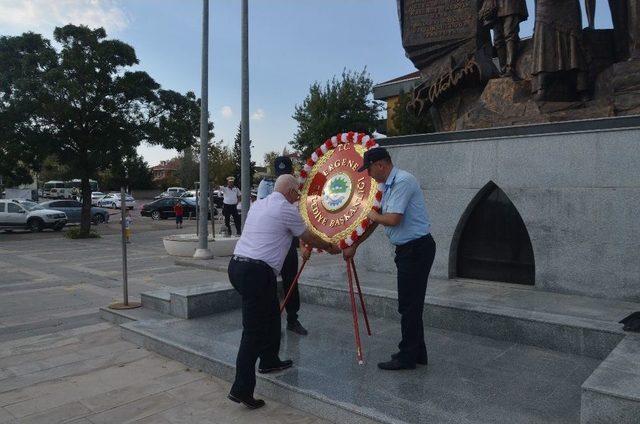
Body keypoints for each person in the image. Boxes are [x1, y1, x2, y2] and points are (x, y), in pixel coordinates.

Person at [227, 174, 340, 409]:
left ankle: (269, 360)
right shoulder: (285, 209)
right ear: (290, 192)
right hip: (255, 273)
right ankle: (241, 389)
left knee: (270, 314)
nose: (298, 197)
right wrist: (330, 246)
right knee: (253, 331)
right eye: (297, 193)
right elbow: (307, 236)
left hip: (238, 267)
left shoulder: (259, 204)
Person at [343, 147, 435, 371]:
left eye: (370, 169)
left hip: (416, 249)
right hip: (408, 250)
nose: (369, 175)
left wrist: (370, 213)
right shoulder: (386, 186)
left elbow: (392, 219)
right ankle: (417, 352)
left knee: (408, 305)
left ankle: (407, 356)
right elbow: (376, 221)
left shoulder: (403, 181)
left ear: (381, 165)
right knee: (411, 303)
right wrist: (355, 243)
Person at [257, 156, 308, 335]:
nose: (282, 177)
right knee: (268, 282)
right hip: (271, 241)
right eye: (280, 174)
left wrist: (303, 244)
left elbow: (302, 214)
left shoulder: (297, 185)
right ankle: (269, 320)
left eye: (285, 174)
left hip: (290, 238)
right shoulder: (265, 185)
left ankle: (293, 319)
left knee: (291, 280)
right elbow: (264, 208)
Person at [531, 0, 588, 101]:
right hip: (545, 5)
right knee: (544, 37)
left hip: (568, 7)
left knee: (573, 41)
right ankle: (541, 86)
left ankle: (581, 87)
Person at [492, 0, 528, 77]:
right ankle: (503, 69)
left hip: (511, 4)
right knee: (498, 40)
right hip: (494, 7)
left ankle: (510, 68)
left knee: (510, 35)